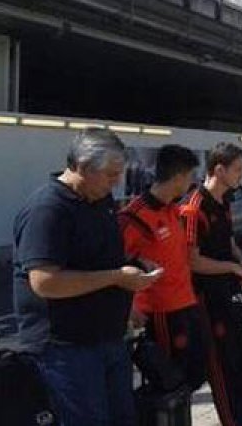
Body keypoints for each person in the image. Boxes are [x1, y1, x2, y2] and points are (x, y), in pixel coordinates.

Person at [13, 128, 159, 426]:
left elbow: (99, 260)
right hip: (65, 347)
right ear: (82, 166)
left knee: (122, 417)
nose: (117, 182)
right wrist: (117, 277)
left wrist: (130, 276)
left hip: (108, 338)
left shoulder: (100, 203)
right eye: (110, 174)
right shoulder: (49, 208)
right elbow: (44, 282)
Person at [181, 143, 242, 426]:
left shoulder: (224, 201)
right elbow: (192, 261)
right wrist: (231, 267)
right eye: (238, 169)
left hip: (229, 291)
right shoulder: (194, 207)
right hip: (206, 297)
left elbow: (229, 243)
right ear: (219, 169)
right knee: (220, 363)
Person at [120, 144, 206, 391]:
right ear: (179, 177)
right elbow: (115, 264)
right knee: (169, 382)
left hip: (185, 304)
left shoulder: (173, 211)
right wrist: (129, 308)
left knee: (193, 375)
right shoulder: (135, 217)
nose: (192, 182)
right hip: (160, 312)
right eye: (190, 176)